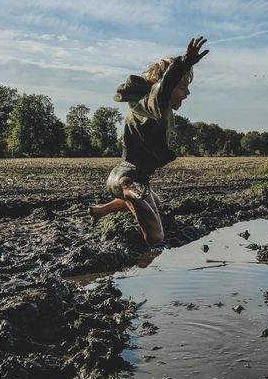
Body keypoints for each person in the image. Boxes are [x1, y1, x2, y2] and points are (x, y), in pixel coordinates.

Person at [89, 36, 209, 245]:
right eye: (182, 87)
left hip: (127, 175)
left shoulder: (148, 107)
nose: (187, 93)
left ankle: (100, 210)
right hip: (127, 178)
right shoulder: (154, 103)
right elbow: (163, 88)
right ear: (165, 85)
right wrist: (185, 62)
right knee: (156, 237)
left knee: (156, 201)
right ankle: (130, 193)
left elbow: (165, 88)